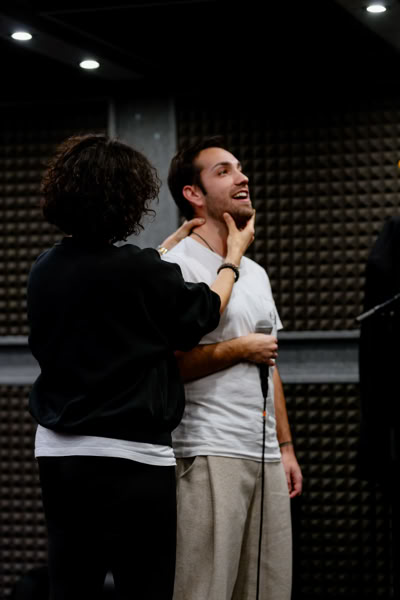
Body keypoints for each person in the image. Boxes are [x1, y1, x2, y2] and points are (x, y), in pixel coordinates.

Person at [27, 133, 255, 600]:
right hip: (133, 457)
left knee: (71, 586)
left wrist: (165, 248)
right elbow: (204, 311)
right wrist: (232, 259)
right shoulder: (140, 271)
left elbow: (114, 290)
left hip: (60, 455)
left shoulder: (44, 268)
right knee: (145, 587)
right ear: (126, 198)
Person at [163, 137, 303, 600]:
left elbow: (270, 362)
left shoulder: (255, 272)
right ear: (193, 193)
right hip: (208, 450)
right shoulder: (177, 266)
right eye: (223, 171)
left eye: (240, 168)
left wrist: (285, 446)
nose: (242, 178)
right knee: (205, 589)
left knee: (268, 588)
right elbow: (169, 367)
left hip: (263, 452)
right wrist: (239, 348)